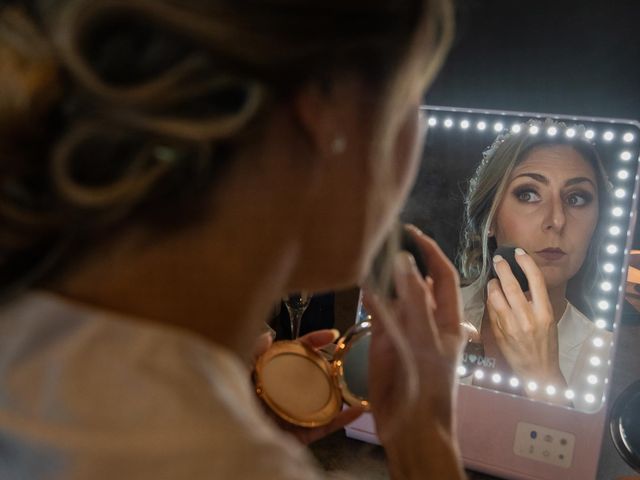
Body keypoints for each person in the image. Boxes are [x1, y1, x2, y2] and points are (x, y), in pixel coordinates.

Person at [0, 1, 467, 479]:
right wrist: (426, 441)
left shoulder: (27, 333)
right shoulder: (221, 461)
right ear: (329, 108)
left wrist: (230, 416)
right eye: (413, 93)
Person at [458, 119, 613, 411]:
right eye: (528, 194)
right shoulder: (431, 314)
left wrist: (545, 379)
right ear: (490, 219)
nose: (556, 220)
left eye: (576, 198)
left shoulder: (607, 357)